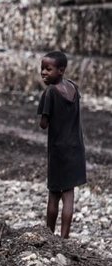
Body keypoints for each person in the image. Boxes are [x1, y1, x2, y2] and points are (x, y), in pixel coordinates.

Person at [38, 51, 87, 239]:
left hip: (58, 151)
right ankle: (64, 238)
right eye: (42, 69)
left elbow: (44, 124)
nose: (43, 73)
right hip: (76, 148)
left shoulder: (50, 92)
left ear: (61, 70)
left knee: (53, 195)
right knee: (68, 195)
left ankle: (49, 236)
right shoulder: (74, 88)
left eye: (48, 69)